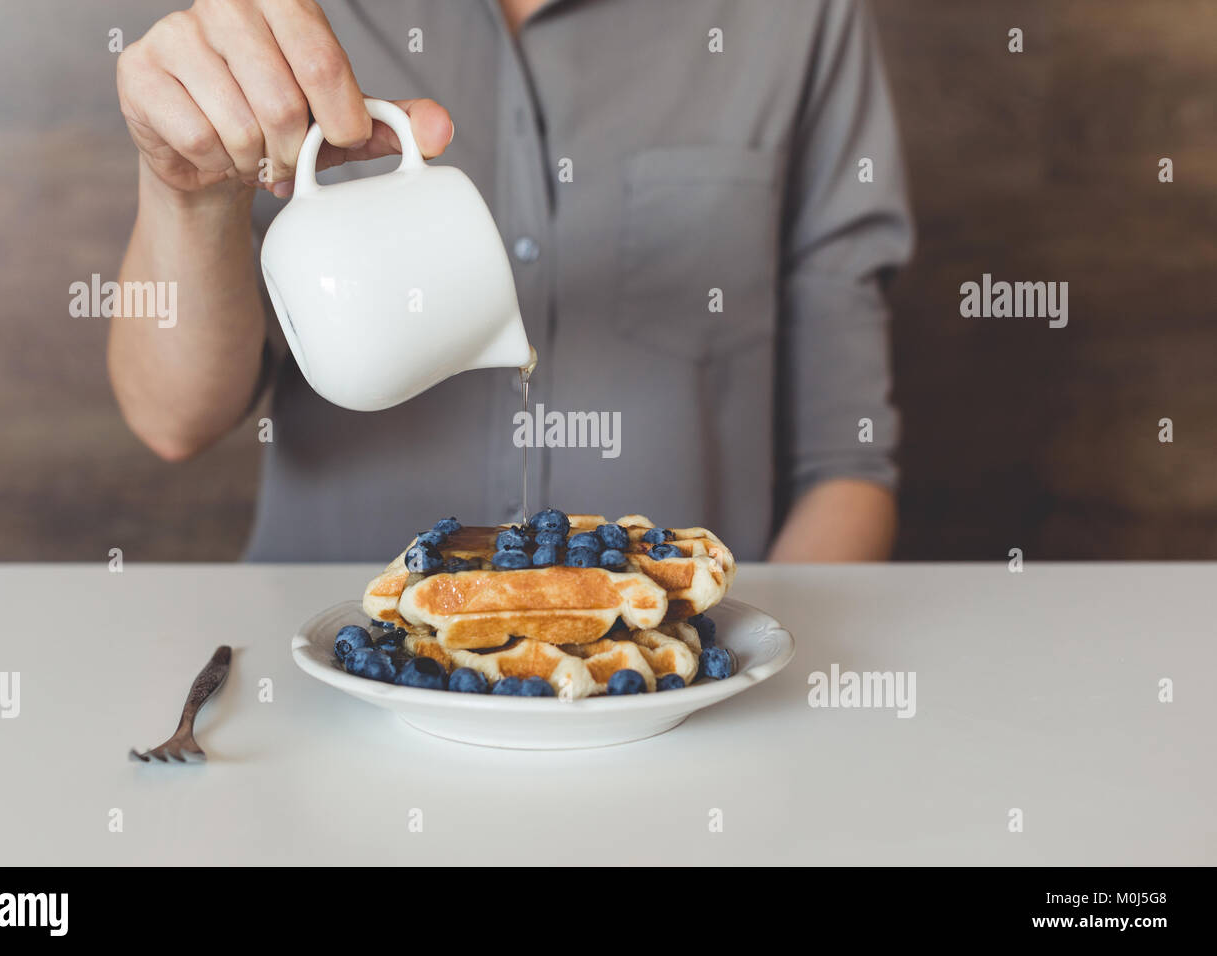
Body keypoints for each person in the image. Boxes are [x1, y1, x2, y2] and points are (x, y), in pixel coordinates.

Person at [110, 0, 913, 562]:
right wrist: (188, 191)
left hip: (667, 719)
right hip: (324, 701)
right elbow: (173, 419)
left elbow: (846, 466)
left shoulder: (797, 17)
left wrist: (736, 676)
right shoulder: (278, 22)